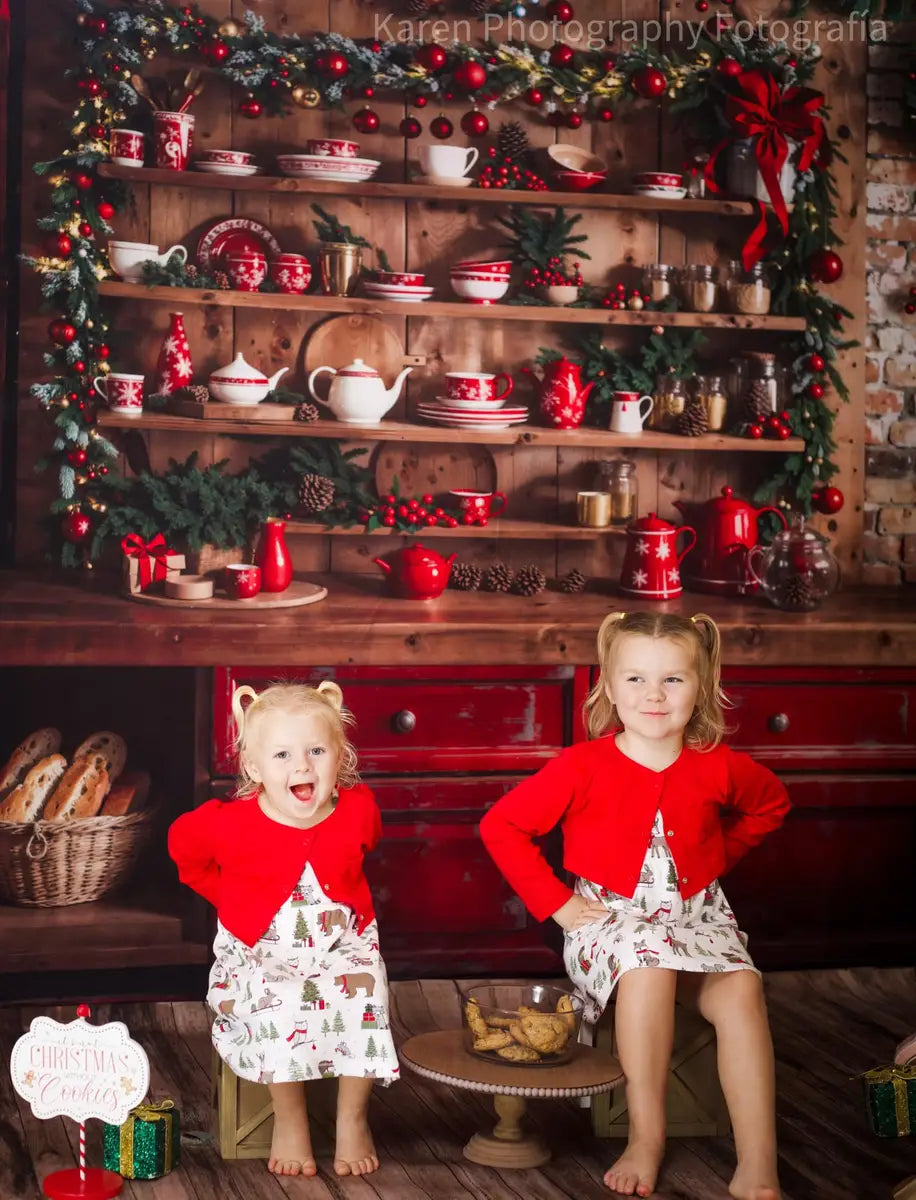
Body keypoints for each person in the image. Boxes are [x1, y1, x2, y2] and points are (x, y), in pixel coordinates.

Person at [480, 611, 790, 1200]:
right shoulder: (582, 766)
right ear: (609, 687)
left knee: (743, 990)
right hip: (612, 922)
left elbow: (770, 804)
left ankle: (759, 1161)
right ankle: (647, 1136)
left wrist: (717, 857)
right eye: (636, 680)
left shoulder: (717, 763)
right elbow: (502, 827)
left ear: (700, 687)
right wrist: (559, 906)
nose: (654, 695)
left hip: (698, 919)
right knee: (648, 968)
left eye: (673, 680)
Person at [168, 681, 397, 1179]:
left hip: (342, 944)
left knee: (366, 994)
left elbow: (366, 847)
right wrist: (228, 898)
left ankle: (352, 1116)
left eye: (317, 750)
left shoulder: (357, 808)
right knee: (278, 999)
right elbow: (183, 851)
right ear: (254, 768)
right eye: (282, 754)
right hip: (262, 951)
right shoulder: (229, 823)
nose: (302, 766)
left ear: (340, 755)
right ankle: (289, 1117)